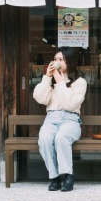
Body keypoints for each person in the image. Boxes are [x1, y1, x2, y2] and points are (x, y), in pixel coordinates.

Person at [33, 47, 87, 192]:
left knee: (61, 137)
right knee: (44, 138)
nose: (57, 62)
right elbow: (40, 99)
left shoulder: (80, 82)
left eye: (61, 60)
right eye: (55, 59)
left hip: (71, 119)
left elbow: (70, 104)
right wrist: (47, 78)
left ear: (69, 62)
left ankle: (68, 175)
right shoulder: (50, 81)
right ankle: (54, 177)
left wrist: (60, 81)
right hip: (51, 118)